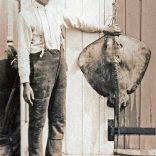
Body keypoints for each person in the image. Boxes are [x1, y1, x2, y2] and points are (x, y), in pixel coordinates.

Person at [17, 0, 121, 155]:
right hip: (39, 68)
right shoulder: (25, 16)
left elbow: (78, 21)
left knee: (59, 118)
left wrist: (103, 28)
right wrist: (25, 82)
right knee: (37, 121)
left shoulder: (56, 11)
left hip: (60, 66)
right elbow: (23, 51)